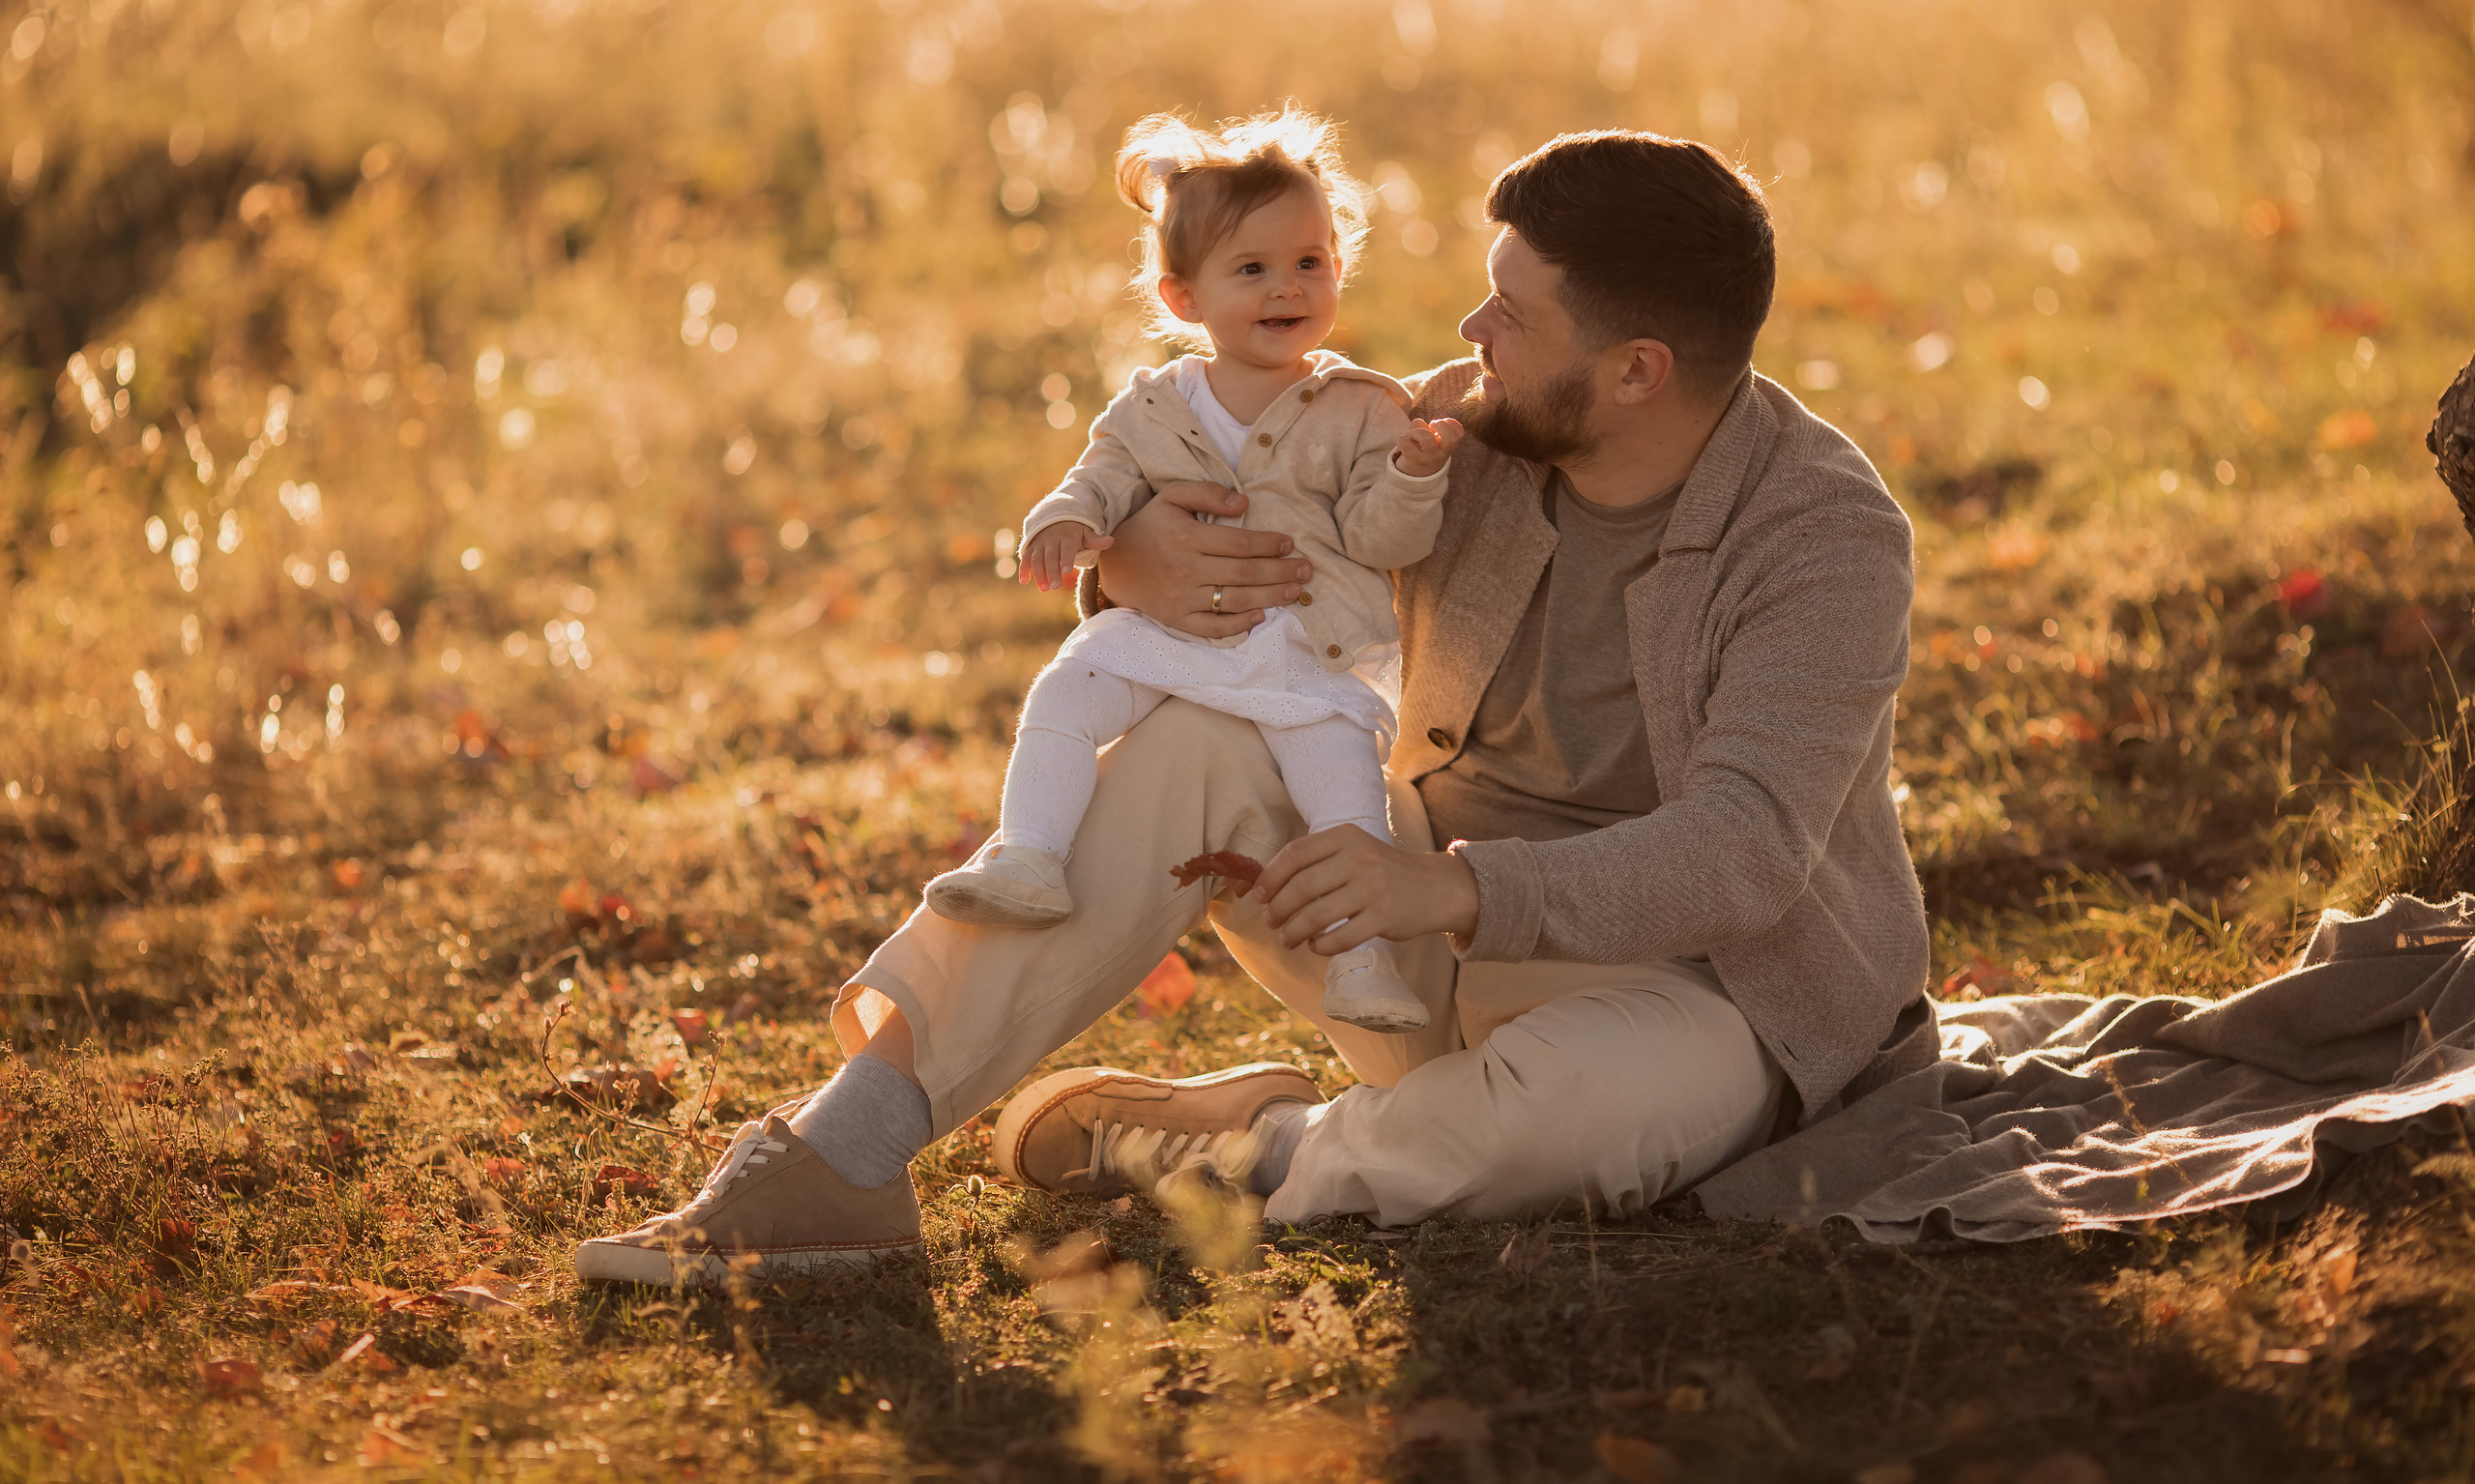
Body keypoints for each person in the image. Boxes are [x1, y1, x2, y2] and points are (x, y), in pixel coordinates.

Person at [573, 128, 1934, 1286]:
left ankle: (1241, 1146)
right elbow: (1248, 524)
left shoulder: (1819, 535)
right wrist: (1131, 565)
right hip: (1402, 919)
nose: (1469, 337)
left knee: (1536, 1137)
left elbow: (1748, 851)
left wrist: (1453, 893)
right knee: (1198, 732)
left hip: (1692, 989)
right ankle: (841, 1156)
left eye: (1512, 314)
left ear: (1637, 369)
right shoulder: (1464, 431)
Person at [920, 104, 1461, 1039]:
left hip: (1307, 646)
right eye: (1251, 269)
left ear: (1338, 264)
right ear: (1182, 298)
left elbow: (1383, 540)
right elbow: (1100, 478)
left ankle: (1363, 959)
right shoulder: (1154, 405)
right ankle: (1030, 852)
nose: (1286, 287)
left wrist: (1414, 476)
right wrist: (1064, 518)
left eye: (1309, 262)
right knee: (1067, 690)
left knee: (1342, 790)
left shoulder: (1363, 408)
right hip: (1175, 633)